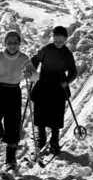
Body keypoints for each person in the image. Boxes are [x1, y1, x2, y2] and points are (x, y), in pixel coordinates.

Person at [0, 31, 39, 171]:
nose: (12, 45)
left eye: (15, 42)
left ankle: (11, 161)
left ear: (20, 43)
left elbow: (35, 77)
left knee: (12, 124)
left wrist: (29, 74)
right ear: (5, 43)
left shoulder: (24, 58)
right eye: (9, 42)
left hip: (14, 92)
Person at [30, 25, 80, 154]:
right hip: (44, 83)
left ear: (65, 40)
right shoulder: (46, 49)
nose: (58, 43)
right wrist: (31, 70)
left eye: (61, 41)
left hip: (58, 85)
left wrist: (67, 82)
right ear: (52, 38)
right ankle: (41, 138)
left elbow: (73, 71)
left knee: (56, 113)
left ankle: (54, 140)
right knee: (40, 110)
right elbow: (35, 60)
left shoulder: (67, 54)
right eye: (56, 40)